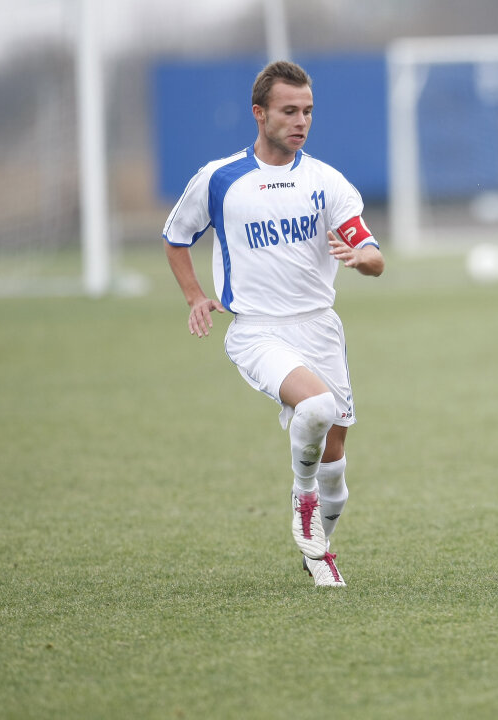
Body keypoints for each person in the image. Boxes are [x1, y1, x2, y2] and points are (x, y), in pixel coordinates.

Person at [163, 60, 385, 587]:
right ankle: (302, 501)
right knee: (316, 407)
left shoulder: (325, 181)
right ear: (259, 113)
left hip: (319, 327)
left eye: (307, 111)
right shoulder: (220, 178)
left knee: (336, 466)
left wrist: (362, 259)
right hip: (257, 330)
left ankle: (318, 550)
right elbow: (177, 237)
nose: (300, 121)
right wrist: (195, 296)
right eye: (288, 111)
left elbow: (373, 254)